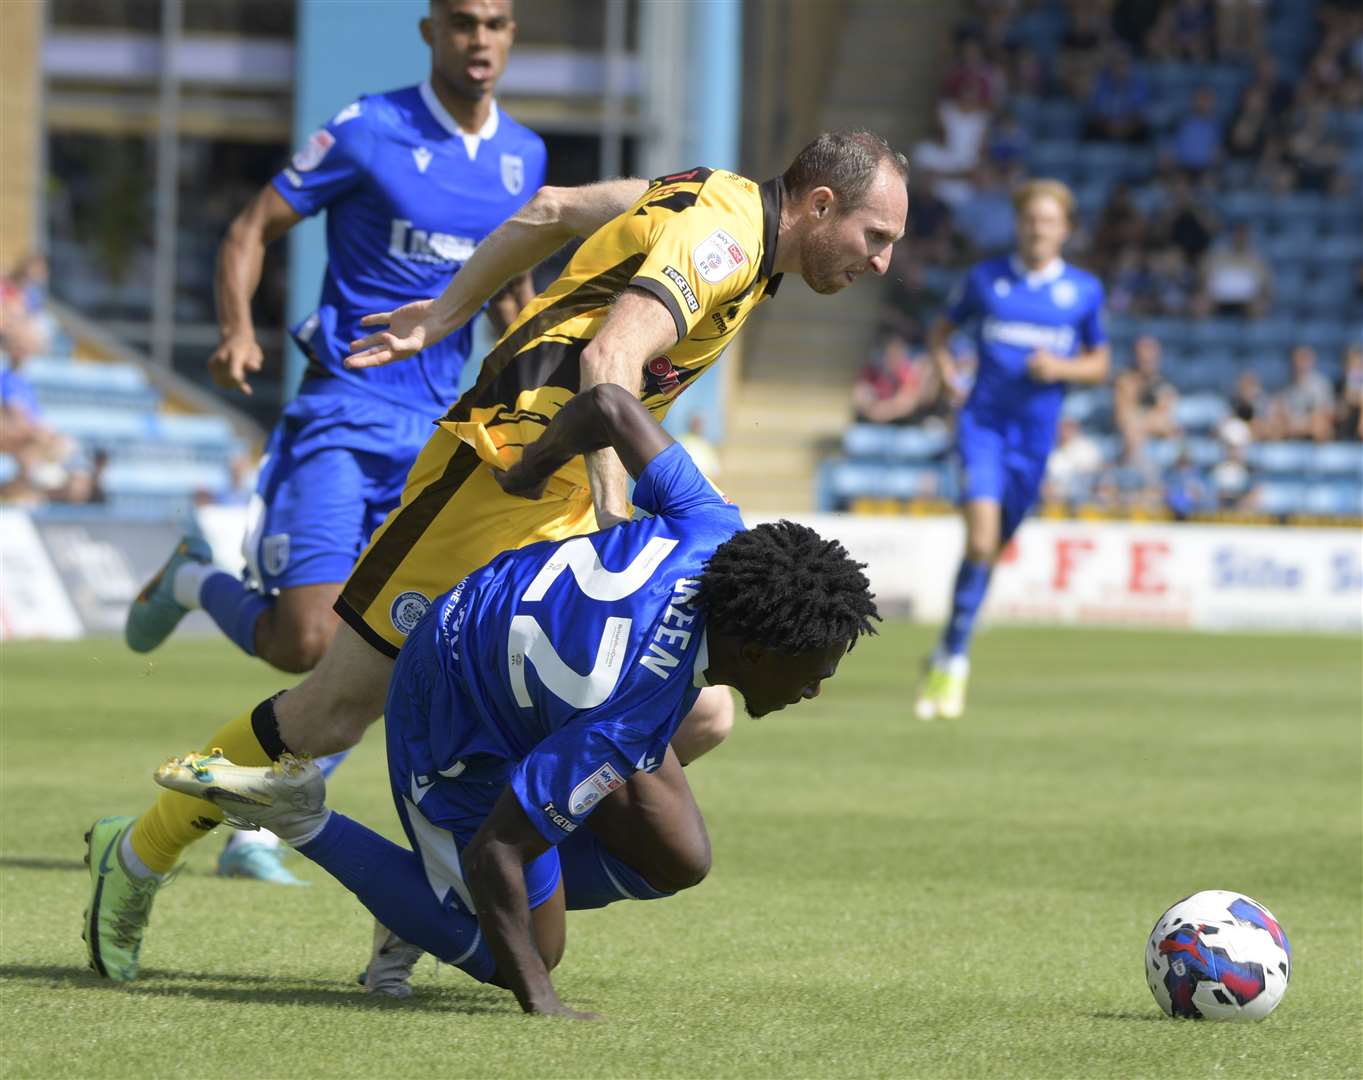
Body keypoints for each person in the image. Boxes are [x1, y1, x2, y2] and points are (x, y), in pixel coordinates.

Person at [81, 130, 909, 984]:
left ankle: (456, 878)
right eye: (874, 237)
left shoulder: (716, 200)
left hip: (554, 489)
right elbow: (609, 361)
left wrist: (444, 315)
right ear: (817, 206)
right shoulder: (726, 241)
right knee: (331, 713)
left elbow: (549, 210)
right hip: (498, 478)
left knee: (697, 716)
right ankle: (138, 854)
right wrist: (612, 535)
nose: (880, 262)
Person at [150, 383, 877, 1016]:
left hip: (514, 653)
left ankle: (442, 888)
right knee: (523, 951)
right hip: (450, 707)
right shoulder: (627, 708)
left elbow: (609, 406)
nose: (814, 688)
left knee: (678, 859)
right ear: (752, 651)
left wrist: (534, 465)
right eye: (810, 671)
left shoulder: (714, 527)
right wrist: (540, 1000)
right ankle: (299, 815)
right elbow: (501, 845)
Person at [120, 0, 544, 884]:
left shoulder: (524, 158)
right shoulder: (367, 128)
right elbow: (251, 228)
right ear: (430, 31)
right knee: (304, 642)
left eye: (496, 23)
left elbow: (513, 295)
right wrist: (238, 328)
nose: (479, 39)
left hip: (437, 441)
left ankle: (258, 830)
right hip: (344, 411)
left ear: (511, 37)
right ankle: (195, 577)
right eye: (463, 21)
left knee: (399, 648)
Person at [915, 179, 1109, 721]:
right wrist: (948, 369)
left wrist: (1061, 369)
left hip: (1035, 440)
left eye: (1049, 220)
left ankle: (948, 645)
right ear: (1019, 223)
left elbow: (1099, 363)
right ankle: (954, 660)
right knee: (980, 539)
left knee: (990, 547)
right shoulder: (986, 279)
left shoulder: (1083, 291)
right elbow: (941, 331)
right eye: (1030, 219)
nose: (1038, 228)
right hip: (983, 426)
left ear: (1065, 229)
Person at [1113, 335, 1180, 463]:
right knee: (1132, 436)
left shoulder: (1164, 383)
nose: (1147, 360)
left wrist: (1142, 422)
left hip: (1158, 441)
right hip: (1131, 442)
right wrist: (1151, 420)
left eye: (1151, 358)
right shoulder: (1125, 381)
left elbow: (1167, 422)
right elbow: (1123, 419)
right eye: (1143, 358)